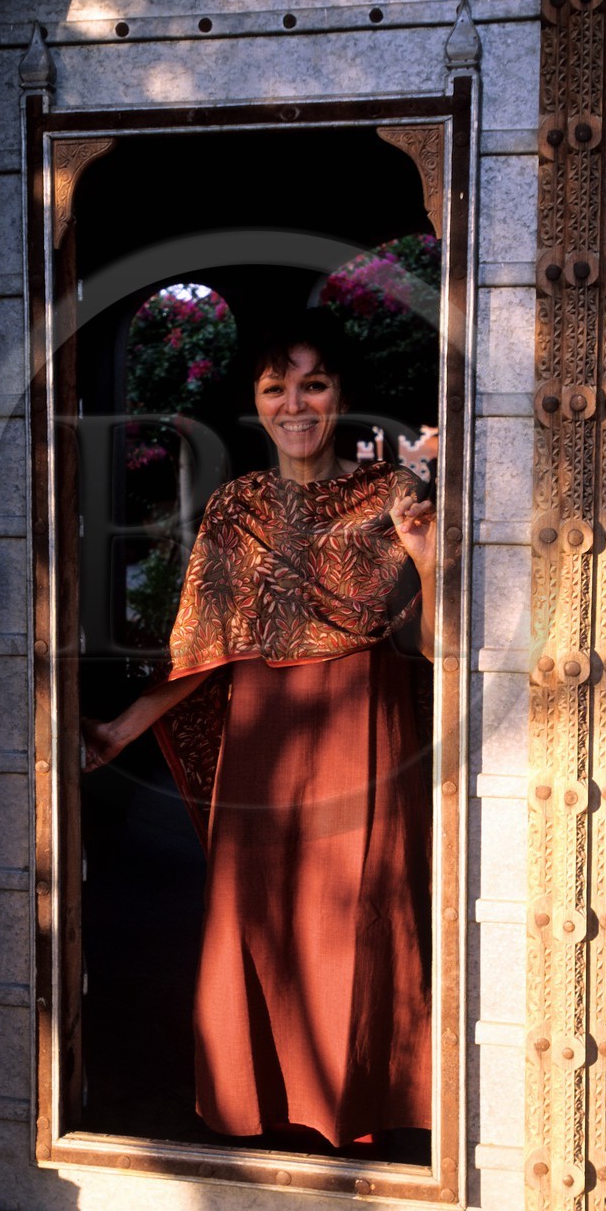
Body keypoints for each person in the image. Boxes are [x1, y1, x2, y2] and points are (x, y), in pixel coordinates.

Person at [82, 311, 437, 1150]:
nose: (295, 403)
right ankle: (262, 1106)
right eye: (276, 386)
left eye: (313, 382)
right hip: (266, 749)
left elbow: (433, 643)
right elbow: (205, 649)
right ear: (255, 400)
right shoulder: (236, 509)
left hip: (368, 737)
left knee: (361, 918)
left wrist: (429, 559)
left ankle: (361, 1108)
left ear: (341, 392)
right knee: (262, 919)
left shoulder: (392, 497)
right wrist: (124, 728)